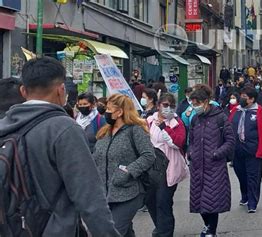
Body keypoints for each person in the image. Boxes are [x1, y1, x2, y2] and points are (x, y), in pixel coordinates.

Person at [0, 57, 119, 236]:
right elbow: (89, 197)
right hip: (54, 229)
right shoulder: (64, 128)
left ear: (23, 91)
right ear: (61, 90)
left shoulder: (4, 126)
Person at [93, 94, 156, 236]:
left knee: (112, 232)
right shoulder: (105, 131)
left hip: (129, 192)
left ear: (120, 112)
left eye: (109, 109)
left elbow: (148, 156)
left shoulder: (135, 130)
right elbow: (97, 156)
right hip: (106, 194)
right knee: (125, 232)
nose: (105, 112)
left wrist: (127, 172)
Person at [187, 86, 235, 237]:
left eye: (197, 104)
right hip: (197, 166)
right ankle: (207, 226)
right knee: (200, 201)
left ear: (206, 101)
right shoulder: (195, 119)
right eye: (193, 104)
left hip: (214, 166)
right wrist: (190, 152)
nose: (195, 107)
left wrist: (216, 153)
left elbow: (230, 140)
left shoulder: (220, 117)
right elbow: (191, 140)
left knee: (212, 200)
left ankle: (211, 230)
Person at [146, 93, 188, 237]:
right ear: (158, 106)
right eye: (165, 105)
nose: (168, 109)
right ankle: (160, 227)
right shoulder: (150, 121)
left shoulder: (177, 123)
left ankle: (165, 232)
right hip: (152, 167)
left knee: (163, 201)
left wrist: (164, 127)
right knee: (150, 200)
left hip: (169, 166)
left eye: (171, 106)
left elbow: (178, 143)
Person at [229, 86, 262, 213]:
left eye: (245, 97)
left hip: (253, 151)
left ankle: (252, 202)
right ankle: (244, 195)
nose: (241, 99)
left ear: (252, 99)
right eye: (241, 96)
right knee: (241, 175)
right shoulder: (235, 111)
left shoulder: (261, 112)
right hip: (237, 150)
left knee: (253, 177)